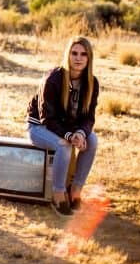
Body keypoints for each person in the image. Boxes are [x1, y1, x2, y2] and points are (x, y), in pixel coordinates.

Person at [27, 36, 99, 217]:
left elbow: (89, 117)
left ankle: (75, 190)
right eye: (74, 53)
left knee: (93, 140)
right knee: (63, 146)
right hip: (40, 128)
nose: (78, 58)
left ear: (89, 58)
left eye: (83, 54)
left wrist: (81, 134)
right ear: (68, 55)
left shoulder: (92, 82)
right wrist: (69, 136)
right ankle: (58, 194)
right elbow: (47, 118)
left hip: (69, 128)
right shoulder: (53, 79)